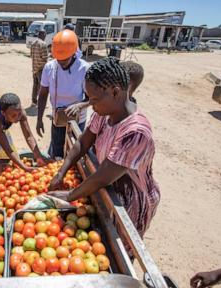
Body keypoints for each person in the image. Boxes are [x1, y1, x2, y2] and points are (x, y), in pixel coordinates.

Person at [48, 57, 160, 239]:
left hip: (129, 201)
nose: (90, 104)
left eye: (93, 99)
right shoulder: (105, 113)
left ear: (115, 92)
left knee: (123, 246)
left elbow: (102, 177)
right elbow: (83, 143)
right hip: (107, 192)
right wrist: (61, 172)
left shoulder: (136, 132)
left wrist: (68, 196)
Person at [36, 30, 90, 159]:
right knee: (57, 153)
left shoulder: (84, 69)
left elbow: (93, 99)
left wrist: (80, 105)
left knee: (73, 154)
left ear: (73, 53)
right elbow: (43, 94)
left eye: (65, 59)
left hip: (77, 121)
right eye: (58, 59)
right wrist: (39, 120)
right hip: (58, 120)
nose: (61, 62)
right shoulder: (49, 67)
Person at [30, 29, 48, 107]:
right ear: (43, 34)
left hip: (34, 68)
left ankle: (34, 101)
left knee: (35, 85)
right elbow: (45, 58)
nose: (45, 37)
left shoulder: (33, 43)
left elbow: (31, 55)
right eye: (45, 35)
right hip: (41, 69)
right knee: (42, 87)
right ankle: (41, 103)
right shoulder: (43, 44)